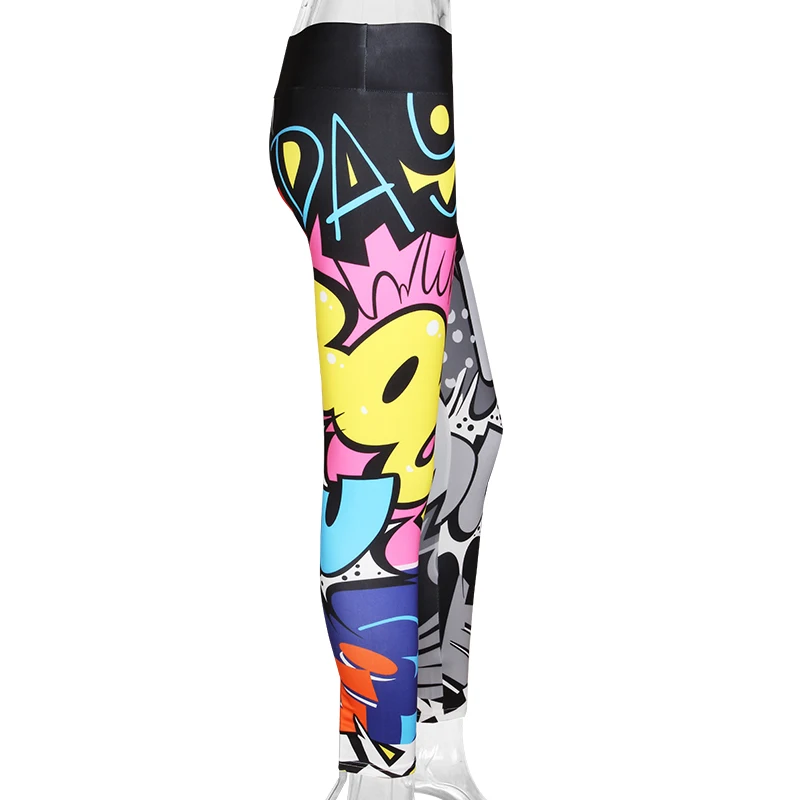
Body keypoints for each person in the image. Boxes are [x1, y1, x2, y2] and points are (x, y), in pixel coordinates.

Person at [270, 3, 503, 797]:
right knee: (380, 474)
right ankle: (377, 771)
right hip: (374, 96)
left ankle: (433, 742)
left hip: (395, 92)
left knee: (470, 428)